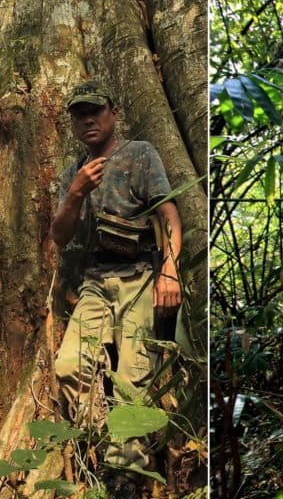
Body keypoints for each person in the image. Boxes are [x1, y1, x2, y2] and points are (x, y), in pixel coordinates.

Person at [51, 79, 182, 494]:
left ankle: (127, 472)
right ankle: (97, 446)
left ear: (113, 113)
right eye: (79, 114)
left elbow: (168, 214)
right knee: (69, 366)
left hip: (141, 276)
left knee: (132, 373)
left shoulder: (139, 154)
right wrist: (75, 194)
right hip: (95, 282)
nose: (88, 119)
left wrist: (171, 271)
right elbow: (59, 235)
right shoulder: (73, 173)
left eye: (95, 110)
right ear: (72, 123)